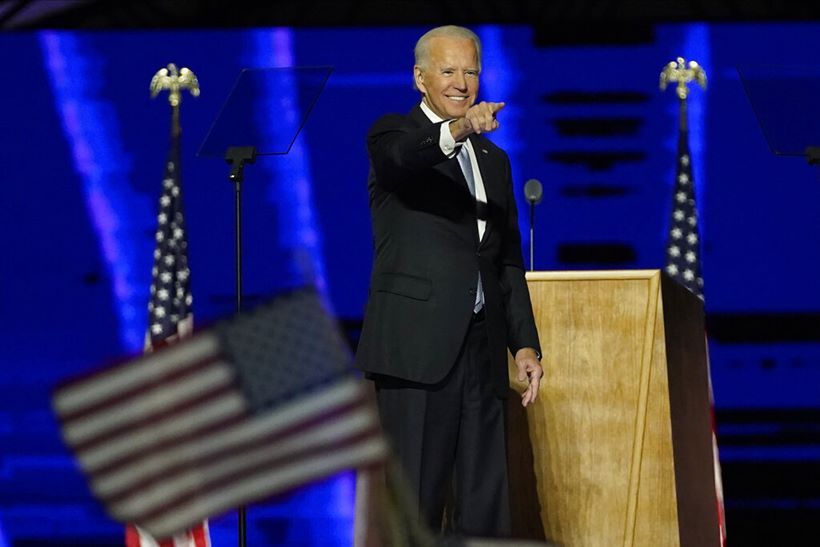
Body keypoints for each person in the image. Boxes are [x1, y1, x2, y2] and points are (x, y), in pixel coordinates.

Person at [355, 25, 543, 538]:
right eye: (448, 70)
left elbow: (505, 260)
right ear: (420, 78)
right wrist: (458, 131)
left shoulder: (495, 161)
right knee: (414, 504)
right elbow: (404, 160)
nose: (462, 82)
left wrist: (524, 344)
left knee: (486, 502)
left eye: (471, 71)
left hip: (480, 352)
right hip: (416, 352)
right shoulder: (391, 135)